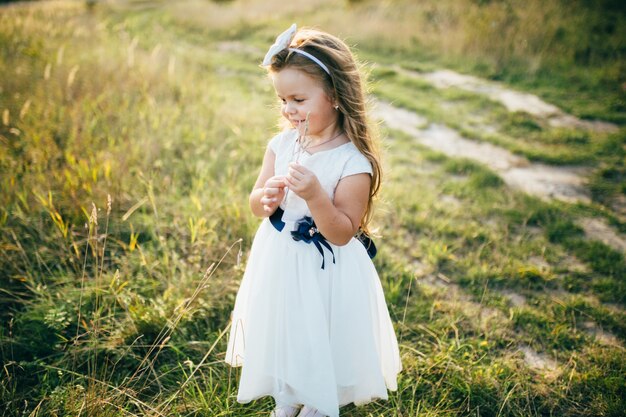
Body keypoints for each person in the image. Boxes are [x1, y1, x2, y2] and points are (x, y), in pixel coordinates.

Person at [225, 24, 401, 417]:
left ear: (335, 95)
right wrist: (266, 198)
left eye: (299, 99)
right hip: (280, 257)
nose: (288, 110)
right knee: (286, 324)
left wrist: (316, 196)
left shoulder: (353, 162)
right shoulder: (282, 143)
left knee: (321, 328)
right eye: (282, 99)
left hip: (327, 268)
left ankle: (321, 401)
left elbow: (341, 232)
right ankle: (288, 394)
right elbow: (256, 202)